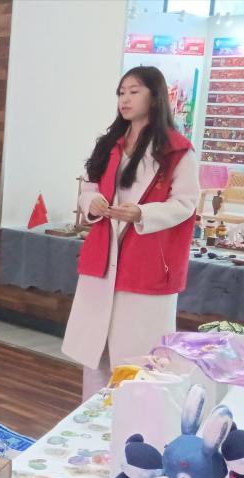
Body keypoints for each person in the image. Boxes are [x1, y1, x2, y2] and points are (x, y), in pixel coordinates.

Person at [62, 66, 199, 400]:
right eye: (121, 92)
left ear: (155, 96)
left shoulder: (177, 150)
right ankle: (91, 419)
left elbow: (186, 202)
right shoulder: (110, 144)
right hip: (104, 257)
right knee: (96, 354)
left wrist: (142, 213)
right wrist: (92, 202)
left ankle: (135, 423)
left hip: (147, 262)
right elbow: (90, 187)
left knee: (138, 359)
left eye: (134, 91)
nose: (125, 99)